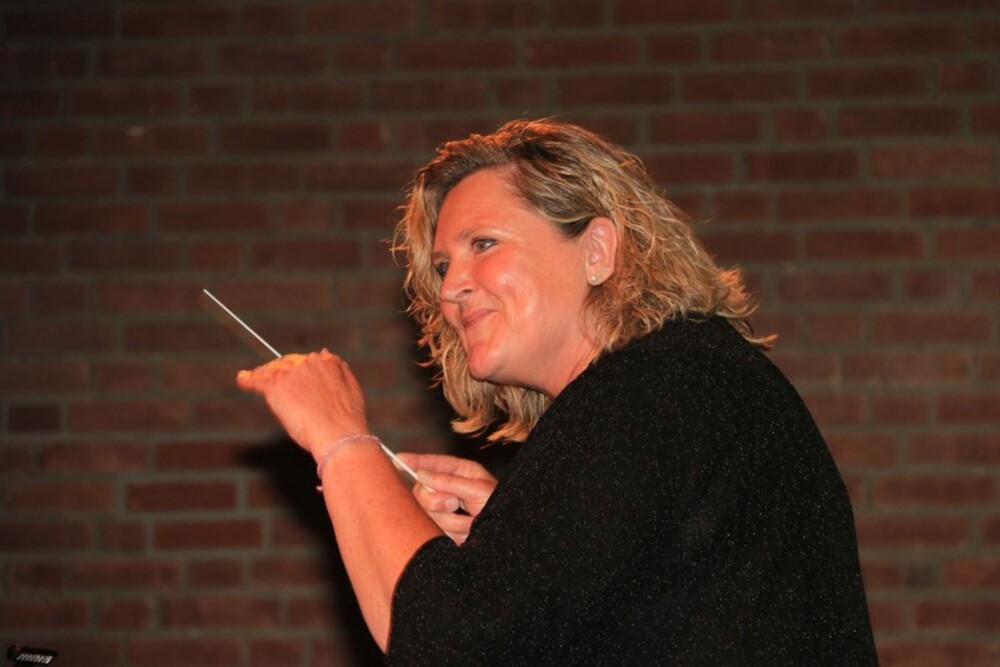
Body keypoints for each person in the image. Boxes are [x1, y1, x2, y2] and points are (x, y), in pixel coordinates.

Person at [237, 119, 878, 665]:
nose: (451, 288)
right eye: (443, 266)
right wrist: (524, 539)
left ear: (597, 250)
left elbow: (451, 645)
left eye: (483, 244)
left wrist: (343, 442)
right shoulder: (688, 379)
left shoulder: (646, 390)